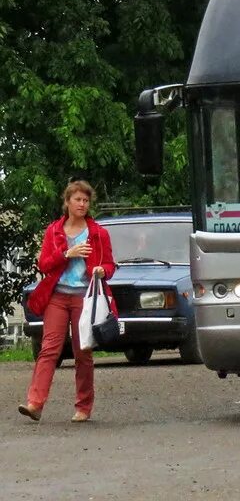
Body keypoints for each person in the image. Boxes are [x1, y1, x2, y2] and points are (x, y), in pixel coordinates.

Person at [19, 180, 116, 423]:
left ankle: (83, 407)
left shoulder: (98, 233)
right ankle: (35, 403)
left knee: (83, 351)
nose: (82, 204)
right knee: (49, 348)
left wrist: (101, 271)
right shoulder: (54, 230)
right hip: (58, 296)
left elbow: (110, 266)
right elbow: (44, 264)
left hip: (85, 297)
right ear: (67, 202)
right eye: (78, 200)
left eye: (86, 200)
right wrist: (66, 254)